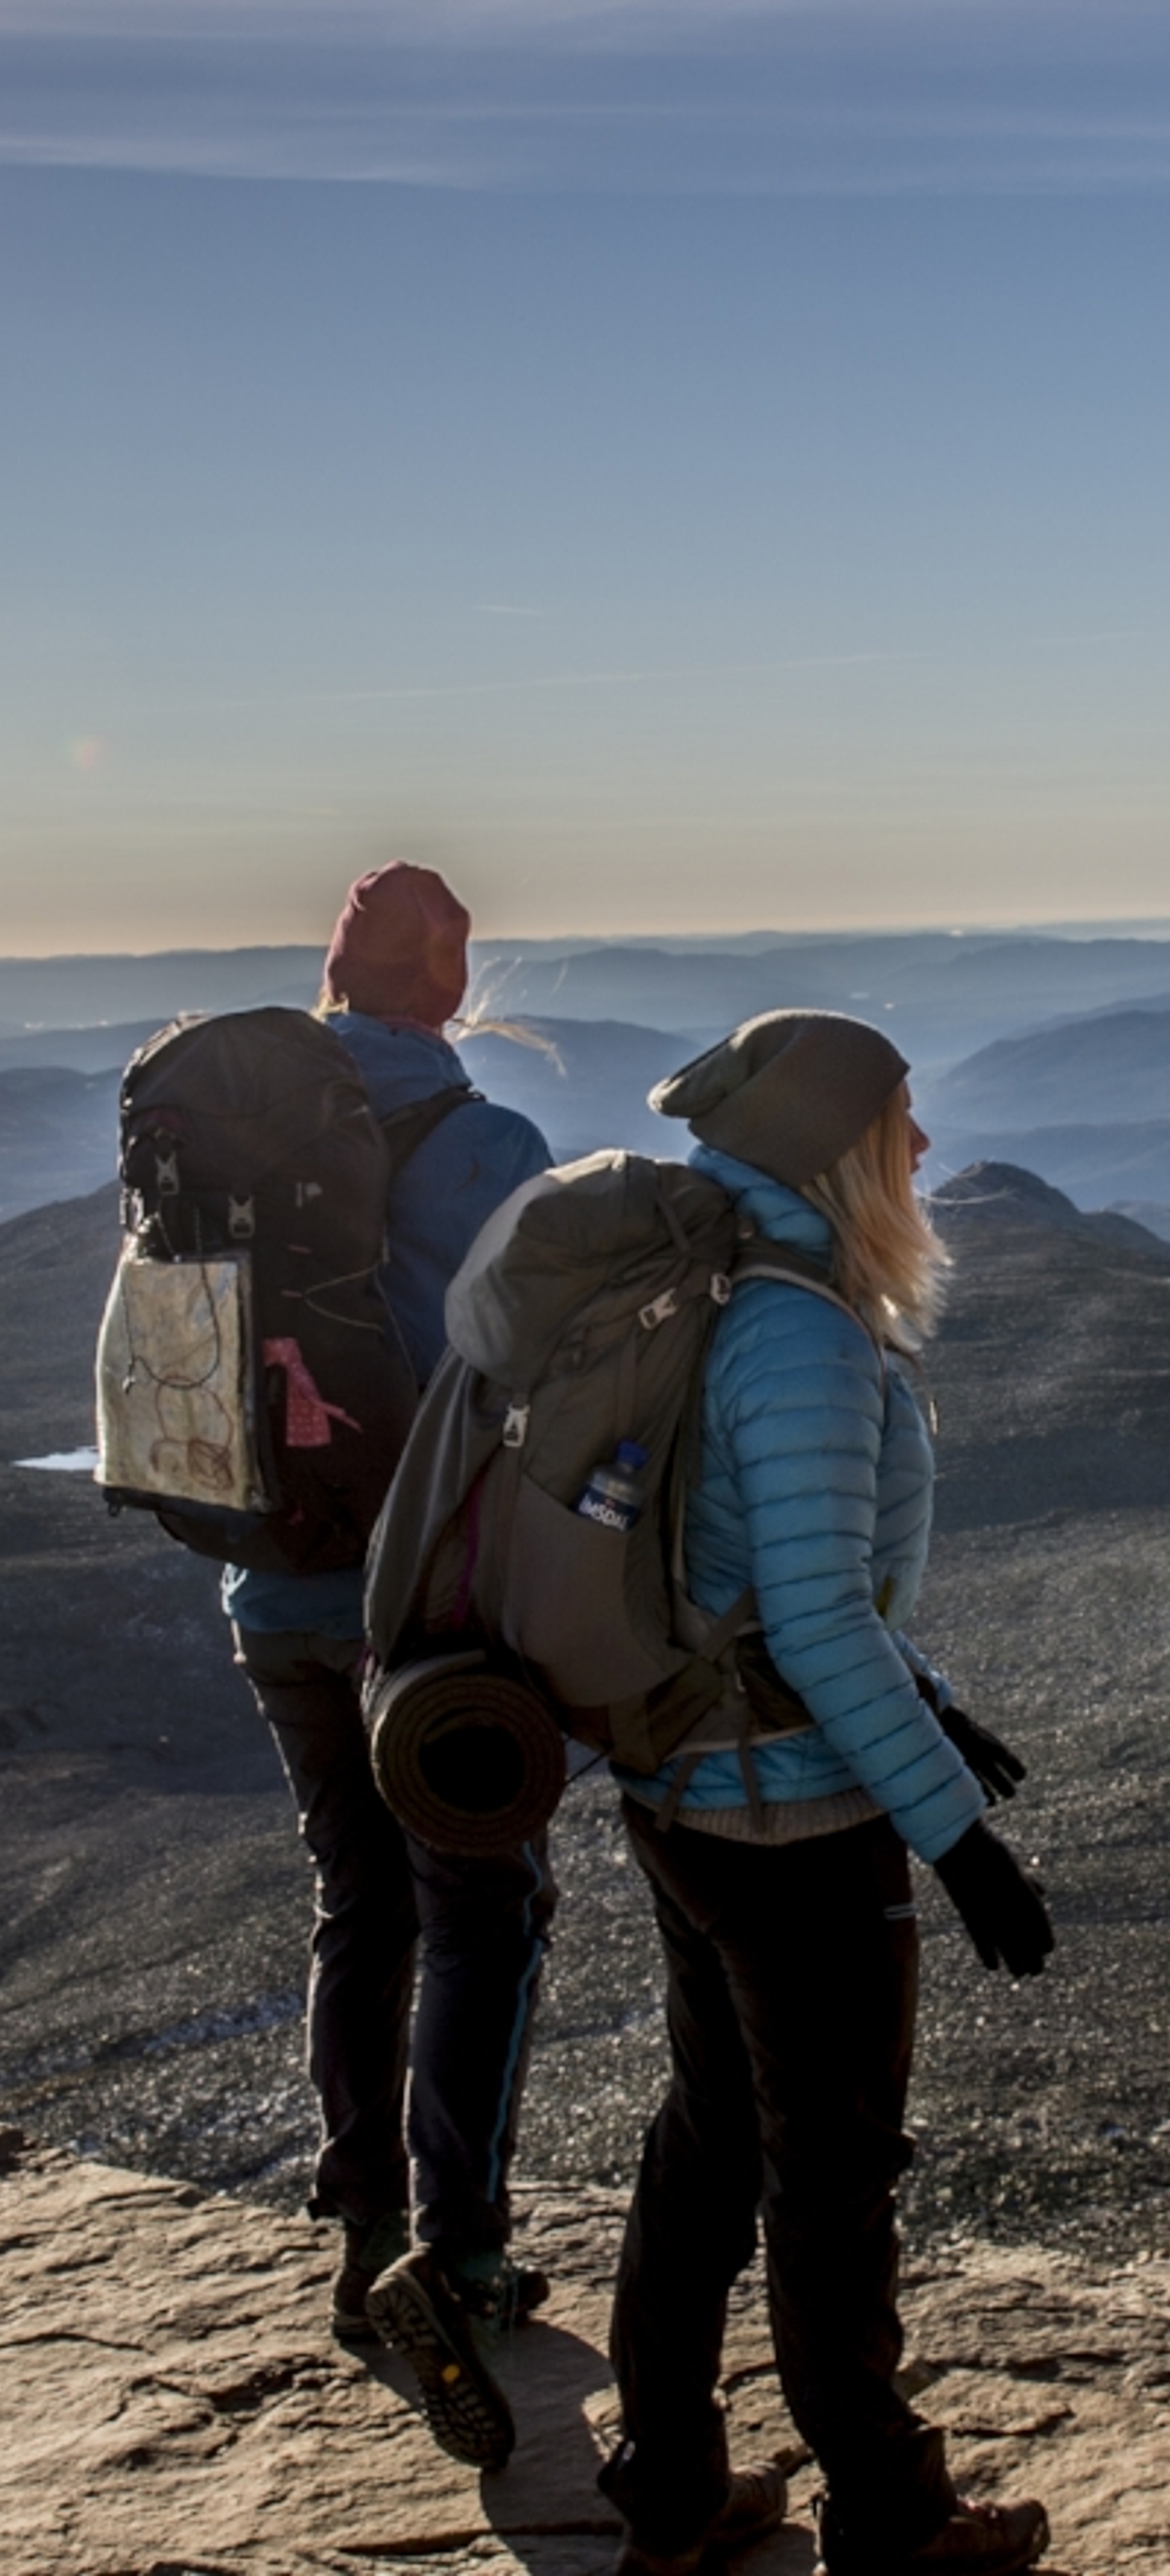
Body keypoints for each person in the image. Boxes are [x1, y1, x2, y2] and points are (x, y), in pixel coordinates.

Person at [597, 1009, 1054, 2576]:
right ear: (842, 1149)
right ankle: (893, 2515)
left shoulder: (716, 1277)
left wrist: (932, 1707)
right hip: (786, 1814)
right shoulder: (796, 1330)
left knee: (712, 2136)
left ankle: (665, 2495)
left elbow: (754, 1586)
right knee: (832, 2178)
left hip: (681, 1785)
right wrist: (961, 1840)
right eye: (903, 1119)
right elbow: (812, 1616)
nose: (924, 1146)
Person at [221, 862, 557, 2426]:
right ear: (451, 981)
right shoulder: (487, 1143)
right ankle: (462, 2250)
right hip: (423, 1602)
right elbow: (540, 1371)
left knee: (357, 1898)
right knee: (483, 1908)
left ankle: (362, 2225)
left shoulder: (229, 1136)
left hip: (266, 1587)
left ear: (331, 977)